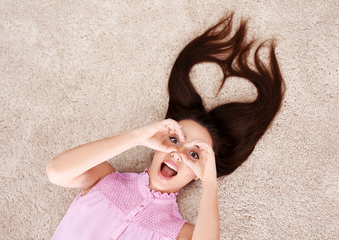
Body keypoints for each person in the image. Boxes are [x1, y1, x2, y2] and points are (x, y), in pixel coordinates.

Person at [46, 12, 285, 240]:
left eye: (194, 153)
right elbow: (56, 171)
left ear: (198, 172)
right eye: (174, 140)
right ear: (157, 143)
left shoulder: (179, 232)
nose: (178, 154)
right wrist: (137, 136)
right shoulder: (105, 179)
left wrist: (210, 181)